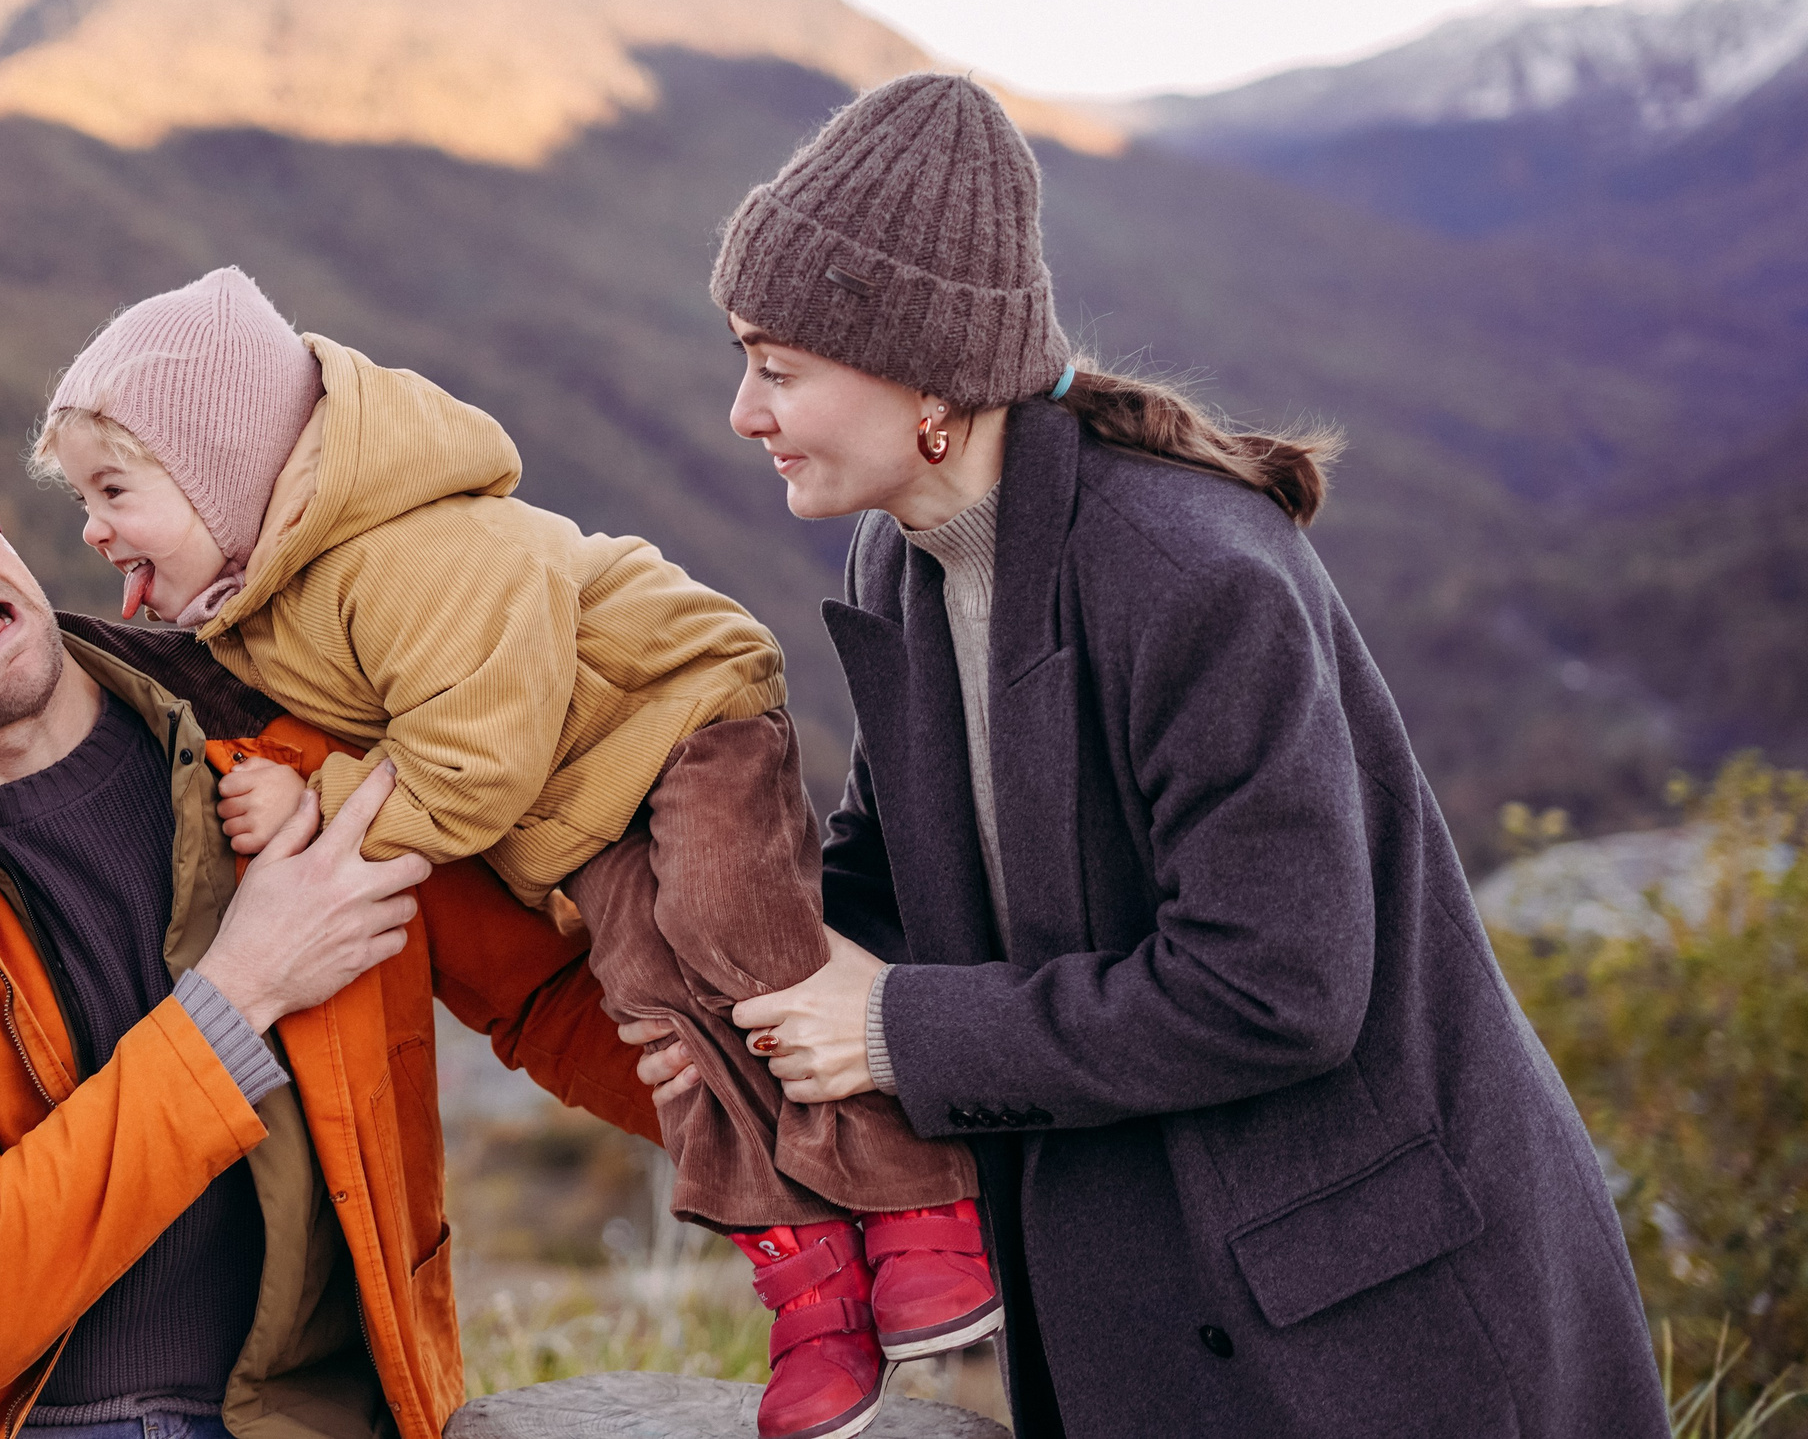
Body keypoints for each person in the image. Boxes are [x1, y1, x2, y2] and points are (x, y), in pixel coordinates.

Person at [631, 72, 1672, 1439]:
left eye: (778, 368)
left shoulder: (1189, 577)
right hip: (1146, 1298)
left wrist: (889, 1031)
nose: (742, 411)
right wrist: (735, 1020)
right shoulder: (904, 560)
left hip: (1368, 1326)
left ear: (927, 377)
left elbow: (1278, 985)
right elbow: (897, 877)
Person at [31, 269, 998, 1439]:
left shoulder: (411, 554)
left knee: (730, 933)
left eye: (115, 490)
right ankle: (815, 1286)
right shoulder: (260, 608)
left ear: (225, 472)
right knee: (658, 1014)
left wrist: (318, 799)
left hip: (680, 718)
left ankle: (923, 1208)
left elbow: (472, 760)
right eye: (83, 498)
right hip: (584, 810)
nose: (91, 527)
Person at [0, 415, 658, 1439]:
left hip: (308, 1418)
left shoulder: (279, 718)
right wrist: (241, 991)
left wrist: (765, 1113)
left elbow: (547, 995)